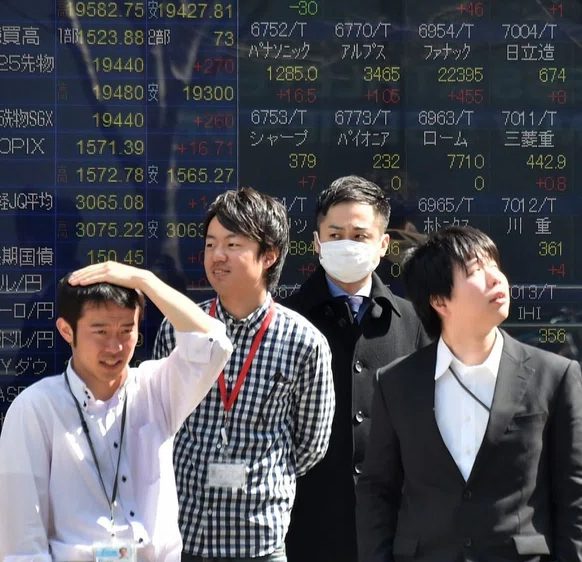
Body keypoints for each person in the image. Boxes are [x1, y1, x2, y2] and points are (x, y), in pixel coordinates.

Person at [356, 226, 582, 562]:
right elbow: (377, 490)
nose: (496, 278)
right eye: (475, 271)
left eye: (494, 265)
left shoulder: (554, 375)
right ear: (439, 301)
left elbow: (577, 494)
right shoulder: (396, 383)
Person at [0, 261, 233, 562]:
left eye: (126, 330)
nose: (115, 347)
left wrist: (145, 280)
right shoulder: (36, 409)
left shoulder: (154, 389)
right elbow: (22, 545)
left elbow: (214, 342)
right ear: (67, 330)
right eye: (100, 331)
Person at [153, 188, 335, 562]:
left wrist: (263, 475)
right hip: (181, 535)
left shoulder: (304, 342)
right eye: (210, 244)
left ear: (269, 255)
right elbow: (156, 420)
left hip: (257, 541)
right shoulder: (178, 331)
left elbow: (310, 446)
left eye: (232, 244)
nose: (217, 255)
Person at [284, 176, 428, 562]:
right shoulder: (286, 323)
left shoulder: (414, 324)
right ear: (317, 243)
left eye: (360, 235)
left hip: (393, 533)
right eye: (335, 234)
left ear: (383, 244)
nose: (347, 244)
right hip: (305, 531)